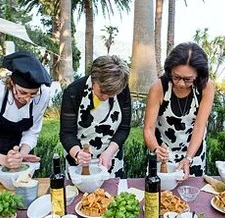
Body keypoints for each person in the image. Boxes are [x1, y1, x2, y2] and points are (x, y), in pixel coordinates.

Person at [0, 51, 51, 180]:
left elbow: (32, 132)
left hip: (16, 159)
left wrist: (21, 155)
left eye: (33, 94)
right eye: (23, 93)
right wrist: (5, 160)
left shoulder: (43, 95)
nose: (28, 99)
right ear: (12, 84)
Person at [143, 42, 215, 179]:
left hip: (193, 152)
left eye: (188, 79)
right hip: (163, 152)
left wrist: (188, 158)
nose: (181, 83)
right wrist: (155, 149)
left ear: (199, 75)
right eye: (176, 77)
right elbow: (148, 128)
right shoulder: (159, 87)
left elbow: (199, 127)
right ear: (170, 70)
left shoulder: (206, 87)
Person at [60, 55, 131, 178]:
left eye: (111, 94)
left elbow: (124, 128)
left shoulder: (122, 90)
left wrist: (109, 153)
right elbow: (66, 133)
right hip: (78, 162)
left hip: (111, 160)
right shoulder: (74, 92)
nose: (105, 97)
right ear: (94, 79)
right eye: (102, 92)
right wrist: (78, 154)